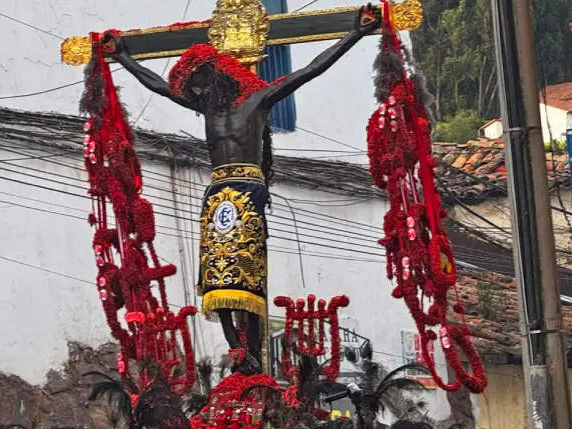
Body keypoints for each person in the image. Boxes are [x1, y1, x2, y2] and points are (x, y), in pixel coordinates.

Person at [103, 5, 381, 365]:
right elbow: (157, 86)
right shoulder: (207, 108)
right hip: (218, 190)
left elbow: (310, 70)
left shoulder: (258, 100)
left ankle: (250, 345)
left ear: (218, 76)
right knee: (215, 267)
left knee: (245, 265)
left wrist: (355, 34)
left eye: (199, 81)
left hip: (249, 188)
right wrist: (123, 58)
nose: (195, 89)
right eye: (192, 85)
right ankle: (236, 346)